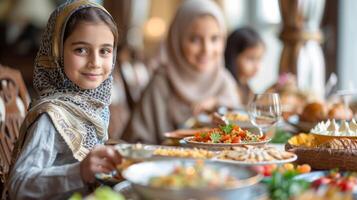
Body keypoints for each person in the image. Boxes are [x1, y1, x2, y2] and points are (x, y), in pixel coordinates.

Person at [4, 1, 122, 199]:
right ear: (57, 51)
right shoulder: (52, 116)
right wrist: (79, 172)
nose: (95, 62)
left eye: (104, 51)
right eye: (81, 50)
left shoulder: (95, 106)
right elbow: (18, 185)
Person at [121, 0, 240, 144]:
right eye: (195, 39)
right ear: (177, 40)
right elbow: (136, 143)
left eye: (215, 38)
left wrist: (216, 103)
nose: (206, 49)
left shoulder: (224, 80)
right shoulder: (162, 83)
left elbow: (240, 127)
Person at [224, 27, 265, 105]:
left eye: (259, 59)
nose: (257, 66)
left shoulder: (246, 86)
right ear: (233, 56)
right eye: (251, 58)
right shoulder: (226, 82)